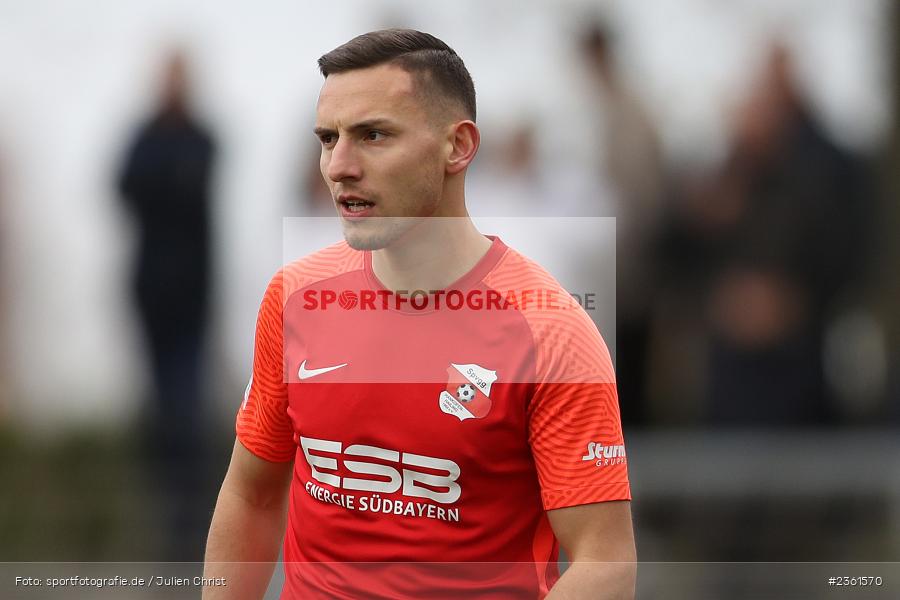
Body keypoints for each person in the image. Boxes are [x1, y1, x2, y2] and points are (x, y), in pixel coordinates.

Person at [203, 29, 634, 599]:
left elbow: (605, 561)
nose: (339, 166)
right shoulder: (295, 298)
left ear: (458, 146)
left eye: (373, 135)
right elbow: (251, 496)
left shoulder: (550, 331)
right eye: (328, 139)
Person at [117, 49, 217, 560]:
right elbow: (125, 187)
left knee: (188, 407)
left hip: (192, 299)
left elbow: (189, 185)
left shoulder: (202, 137)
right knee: (159, 408)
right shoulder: (145, 137)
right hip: (152, 296)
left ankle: (192, 522)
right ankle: (164, 516)